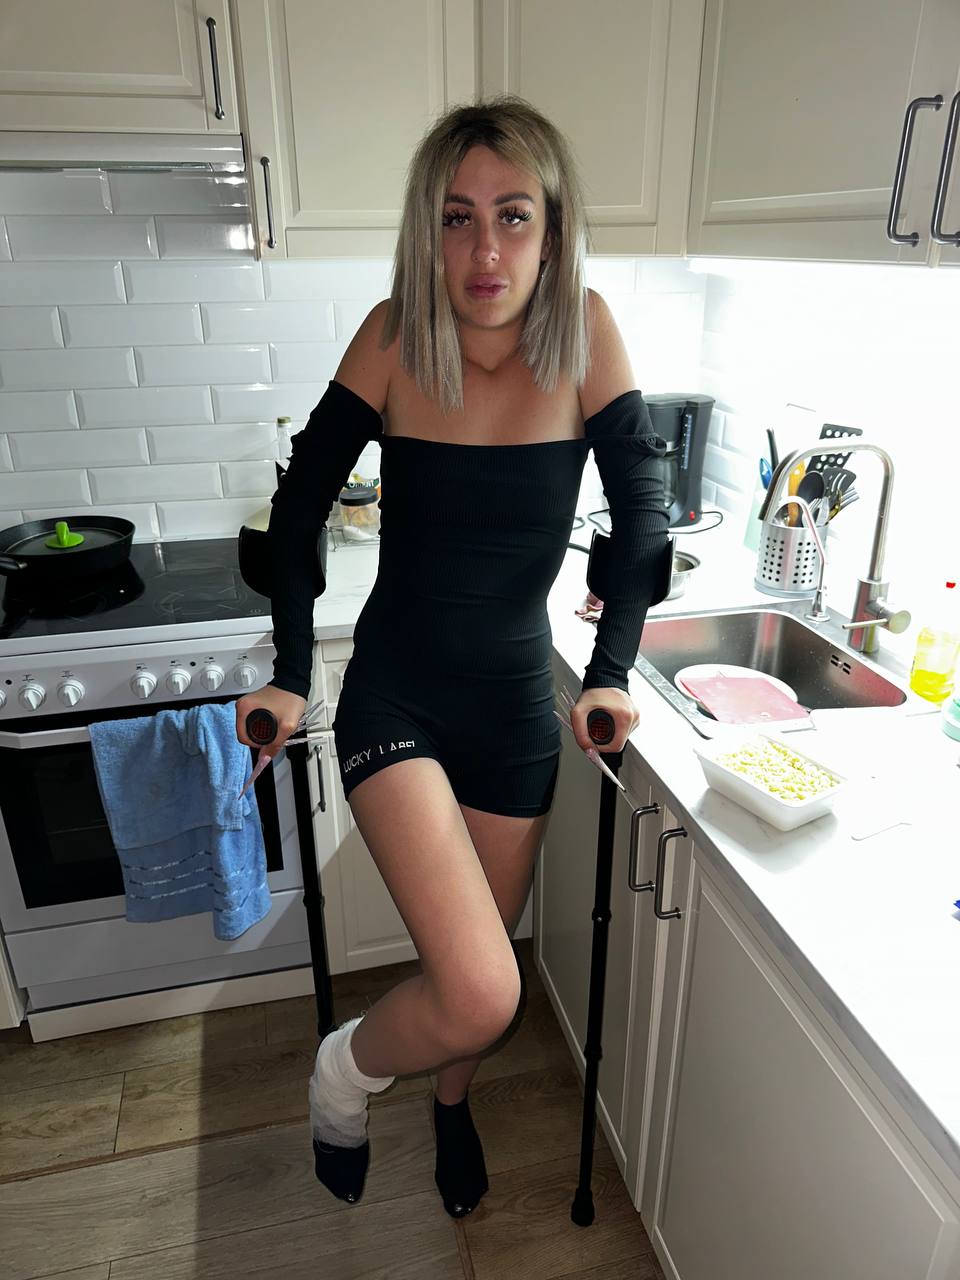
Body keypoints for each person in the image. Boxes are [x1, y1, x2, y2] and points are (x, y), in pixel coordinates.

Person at [235, 94, 669, 1215]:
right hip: (399, 694)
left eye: (513, 215)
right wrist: (292, 668)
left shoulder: (586, 332)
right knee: (481, 987)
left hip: (516, 708)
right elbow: (299, 508)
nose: (485, 251)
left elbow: (643, 513)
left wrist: (612, 669)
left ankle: (449, 1101)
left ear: (552, 229)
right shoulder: (394, 335)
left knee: (479, 974)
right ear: (427, 228)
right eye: (458, 217)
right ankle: (343, 1072)